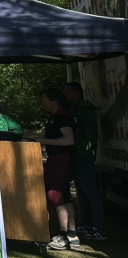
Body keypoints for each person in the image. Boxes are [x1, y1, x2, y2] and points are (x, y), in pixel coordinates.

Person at [37, 89, 81, 250]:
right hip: (58, 160)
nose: (42, 103)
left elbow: (69, 140)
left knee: (55, 196)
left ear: (54, 101)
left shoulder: (62, 117)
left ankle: (63, 237)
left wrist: (44, 141)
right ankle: (72, 234)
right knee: (65, 197)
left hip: (62, 160)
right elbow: (43, 136)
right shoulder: (54, 117)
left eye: (44, 100)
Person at [63, 82, 106, 240]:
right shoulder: (73, 108)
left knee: (91, 192)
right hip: (76, 156)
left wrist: (82, 151)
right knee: (81, 192)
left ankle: (99, 228)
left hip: (84, 158)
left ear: (77, 93)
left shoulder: (86, 110)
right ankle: (87, 223)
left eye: (68, 92)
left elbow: (90, 135)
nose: (65, 95)